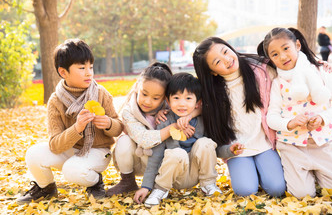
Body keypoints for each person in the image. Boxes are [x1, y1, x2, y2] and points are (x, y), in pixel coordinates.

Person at [17, 39, 124, 204]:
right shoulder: (56, 101)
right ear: (63, 72)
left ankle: (95, 182)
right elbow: (54, 145)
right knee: (33, 154)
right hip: (70, 150)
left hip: (100, 152)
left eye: (90, 67)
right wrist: (77, 128)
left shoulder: (101, 93)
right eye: (82, 68)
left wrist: (109, 123)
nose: (89, 73)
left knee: (71, 170)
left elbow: (118, 128)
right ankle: (46, 188)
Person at [193, 37, 286, 197]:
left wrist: (318, 66)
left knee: (277, 189)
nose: (227, 60)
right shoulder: (211, 93)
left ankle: (261, 170)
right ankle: (250, 172)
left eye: (225, 52)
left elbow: (290, 72)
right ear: (212, 72)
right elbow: (183, 100)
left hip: (264, 143)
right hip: (237, 148)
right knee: (245, 190)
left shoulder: (260, 70)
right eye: (217, 62)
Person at [134, 73, 242, 206]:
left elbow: (215, 150)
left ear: (198, 103)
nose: (182, 103)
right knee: (177, 152)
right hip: (174, 176)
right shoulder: (165, 121)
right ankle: (160, 189)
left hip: (196, 173)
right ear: (168, 101)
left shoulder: (203, 121)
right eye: (176, 98)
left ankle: (208, 184)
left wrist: (229, 150)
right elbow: (156, 155)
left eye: (188, 98)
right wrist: (146, 186)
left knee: (206, 143)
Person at [258, 27, 332, 198]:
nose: (282, 56)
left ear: (297, 45)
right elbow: (271, 117)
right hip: (292, 147)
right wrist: (289, 123)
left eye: (286, 48)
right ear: (270, 59)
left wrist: (323, 118)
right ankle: (307, 177)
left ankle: (321, 174)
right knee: (302, 194)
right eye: (275, 54)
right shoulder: (277, 83)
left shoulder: (320, 71)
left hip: (322, 144)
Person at [106, 62, 173, 196]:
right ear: (137, 87)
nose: (147, 101)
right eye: (144, 94)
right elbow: (143, 139)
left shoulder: (171, 108)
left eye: (155, 98)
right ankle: (128, 181)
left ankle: (158, 184)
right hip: (138, 160)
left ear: (164, 97)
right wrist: (171, 128)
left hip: (160, 163)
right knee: (124, 141)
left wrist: (168, 115)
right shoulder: (129, 111)